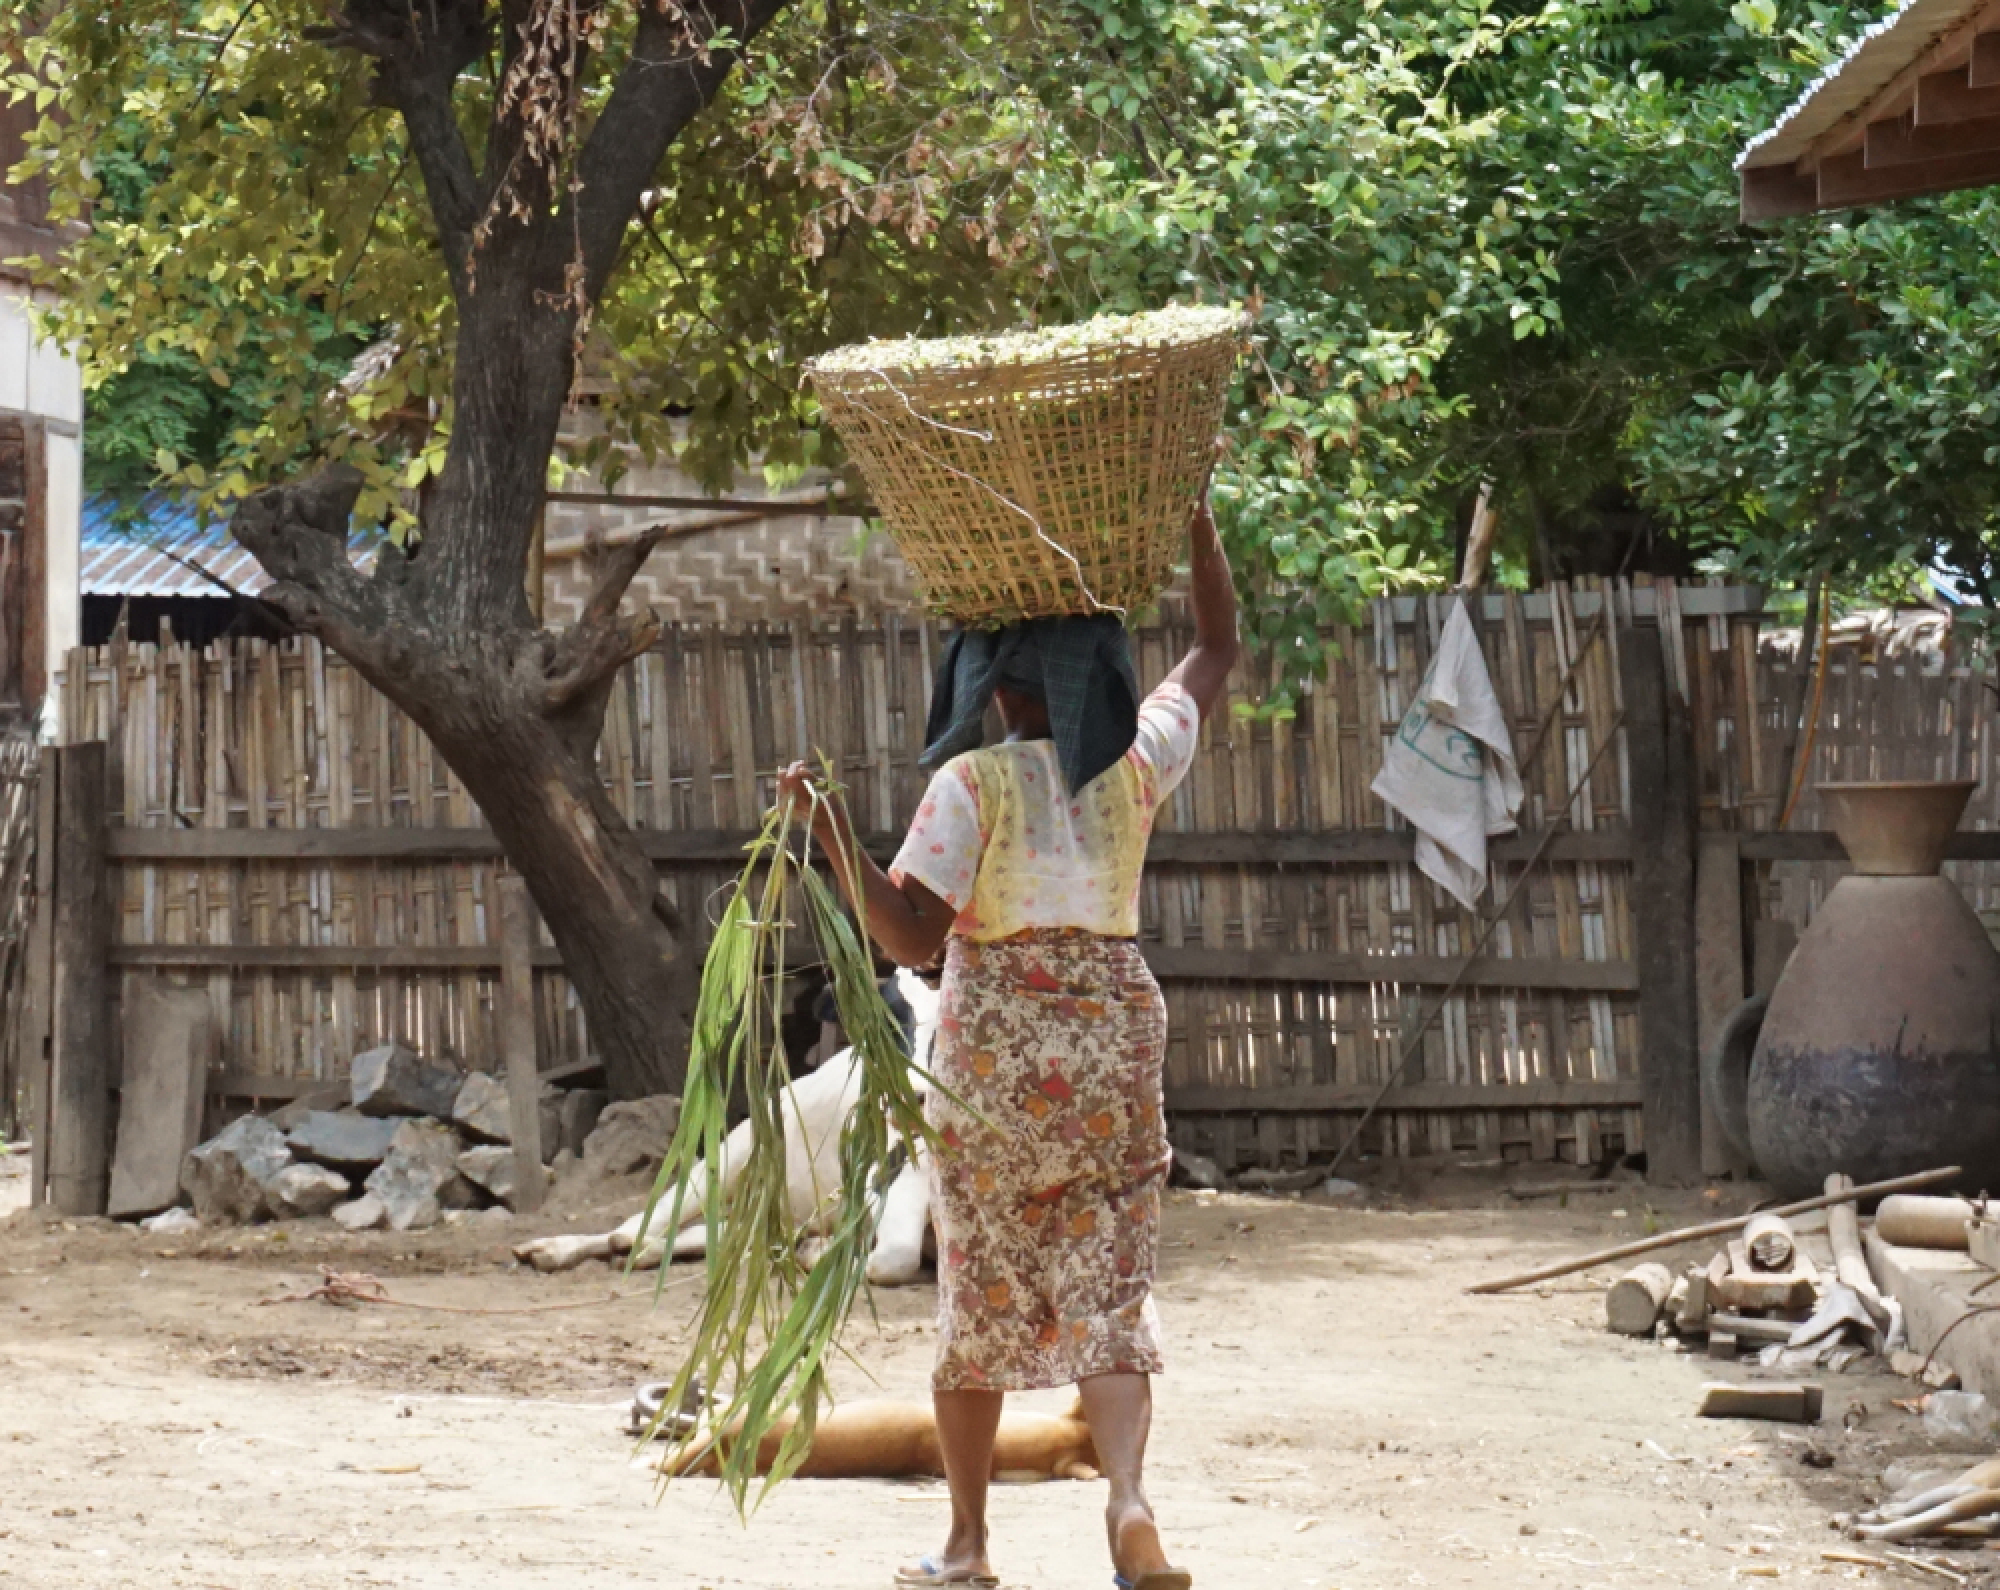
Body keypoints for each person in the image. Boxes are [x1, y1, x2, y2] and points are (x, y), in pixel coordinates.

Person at [778, 491, 1239, 1590]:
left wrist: (835, 839)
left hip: (996, 1050)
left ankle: (967, 1544)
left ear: (996, 688)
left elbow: (915, 940)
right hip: (1112, 1034)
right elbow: (1217, 646)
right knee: (1109, 1281)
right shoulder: (1137, 767)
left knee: (978, 1287)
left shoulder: (969, 786)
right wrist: (1196, 522)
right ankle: (1128, 1501)